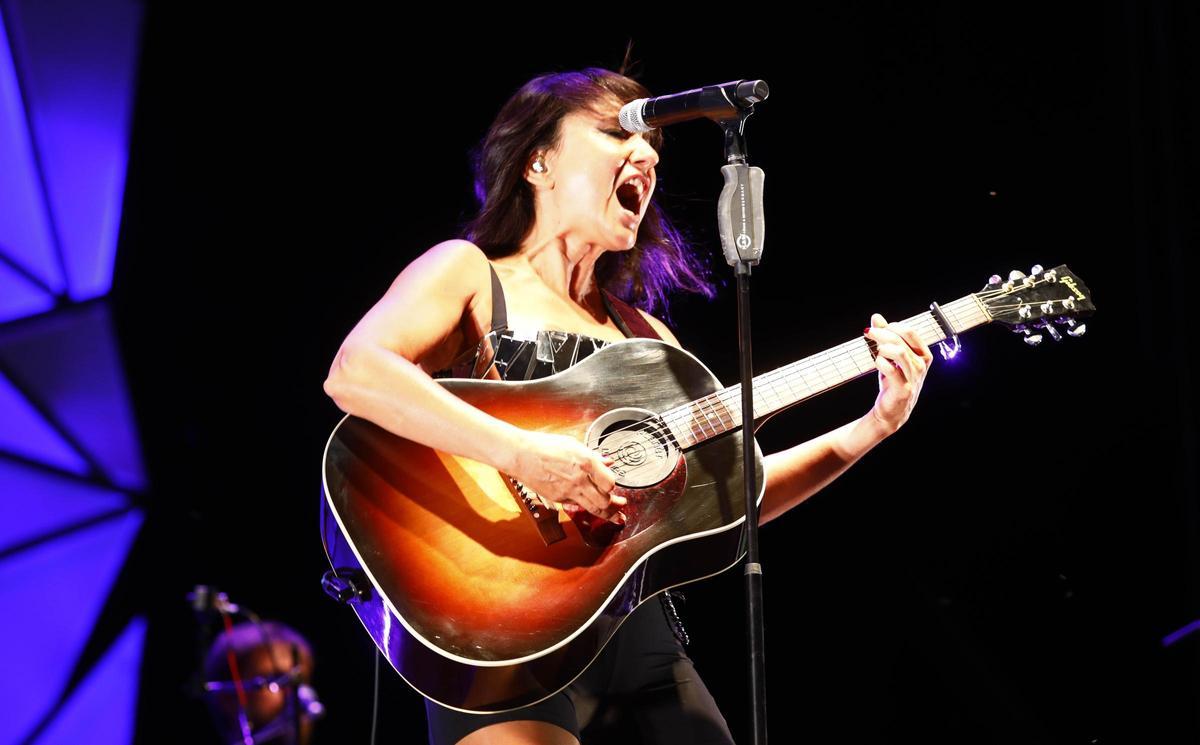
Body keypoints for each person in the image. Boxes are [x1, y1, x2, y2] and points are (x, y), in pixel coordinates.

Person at [322, 66, 933, 745]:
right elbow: (357, 372)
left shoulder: (649, 341)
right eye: (620, 132)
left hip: (638, 634)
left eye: (652, 149)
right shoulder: (469, 273)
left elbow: (740, 501)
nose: (644, 154)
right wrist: (525, 454)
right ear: (538, 162)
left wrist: (872, 426)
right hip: (499, 623)